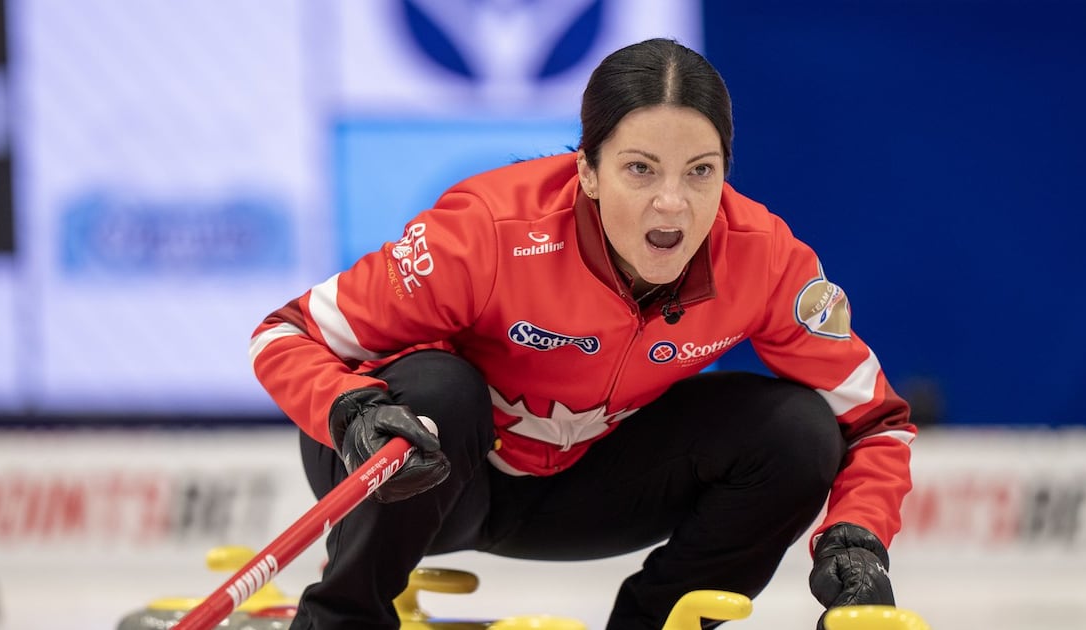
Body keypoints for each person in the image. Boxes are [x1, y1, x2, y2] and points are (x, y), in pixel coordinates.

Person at [250, 37, 915, 630]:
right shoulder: (486, 232)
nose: (673, 203)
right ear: (587, 171)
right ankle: (339, 619)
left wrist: (856, 537)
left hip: (579, 488)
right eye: (640, 169)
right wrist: (349, 413)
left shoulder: (765, 260)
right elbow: (284, 335)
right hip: (424, 477)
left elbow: (875, 421)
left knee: (798, 430)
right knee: (437, 387)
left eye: (700, 171)